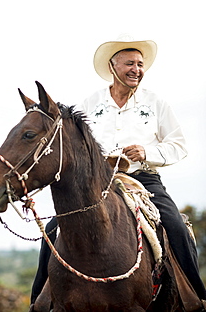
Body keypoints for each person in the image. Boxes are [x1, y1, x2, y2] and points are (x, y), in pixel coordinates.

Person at [31, 36, 206, 307]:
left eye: (140, 64)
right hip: (98, 184)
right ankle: (41, 302)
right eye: (129, 63)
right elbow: (78, 147)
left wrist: (148, 153)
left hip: (143, 180)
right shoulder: (91, 104)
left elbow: (179, 145)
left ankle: (194, 298)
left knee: (176, 227)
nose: (136, 69)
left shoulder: (156, 103)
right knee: (54, 228)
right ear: (113, 67)